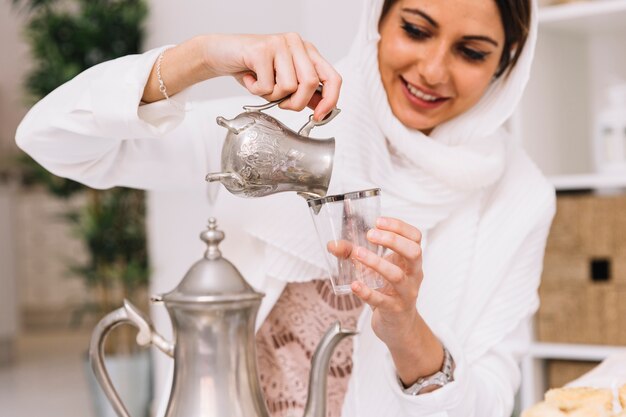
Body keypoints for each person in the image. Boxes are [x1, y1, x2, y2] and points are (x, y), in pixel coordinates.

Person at [16, 0, 556, 416]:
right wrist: (201, 57)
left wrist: (406, 329)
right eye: (415, 29)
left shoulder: (518, 197)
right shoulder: (265, 133)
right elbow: (50, 137)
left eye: (472, 51)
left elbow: (488, 401)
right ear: (379, 21)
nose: (434, 70)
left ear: (507, 63)